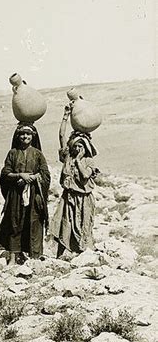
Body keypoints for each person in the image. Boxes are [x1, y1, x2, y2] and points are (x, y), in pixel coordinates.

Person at [0, 123, 50, 265]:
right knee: (15, 222)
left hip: (34, 194)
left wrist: (34, 178)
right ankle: (13, 257)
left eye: (28, 134)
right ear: (18, 136)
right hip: (16, 195)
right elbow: (5, 173)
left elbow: (45, 174)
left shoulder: (38, 154)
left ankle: (34, 257)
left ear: (33, 136)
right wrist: (19, 175)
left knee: (34, 223)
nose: (25, 137)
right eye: (22, 134)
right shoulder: (12, 153)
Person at [50, 105, 100, 258]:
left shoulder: (89, 161)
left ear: (86, 147)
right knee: (64, 223)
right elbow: (61, 136)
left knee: (82, 225)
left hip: (84, 199)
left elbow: (85, 176)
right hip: (69, 196)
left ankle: (81, 255)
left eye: (81, 146)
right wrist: (65, 117)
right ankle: (58, 256)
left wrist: (79, 161)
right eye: (76, 146)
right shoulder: (68, 158)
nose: (77, 148)